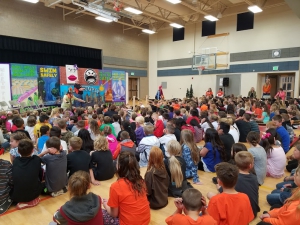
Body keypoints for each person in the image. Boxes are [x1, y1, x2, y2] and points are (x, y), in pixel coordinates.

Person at [102, 151, 150, 225]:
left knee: (101, 214)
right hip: (145, 221)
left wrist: (105, 205)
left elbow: (114, 214)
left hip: (128, 223)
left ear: (119, 167)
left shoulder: (116, 186)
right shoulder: (141, 181)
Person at [11, 139, 42, 209]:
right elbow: (39, 175)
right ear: (32, 151)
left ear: (18, 151)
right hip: (33, 194)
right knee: (41, 182)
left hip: (16, 195)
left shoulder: (16, 160)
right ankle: (31, 201)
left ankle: (23, 202)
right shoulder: (36, 159)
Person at [234, 151, 260, 218]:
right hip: (254, 213)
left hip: (243, 215)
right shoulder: (254, 177)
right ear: (250, 166)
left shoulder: (234, 178)